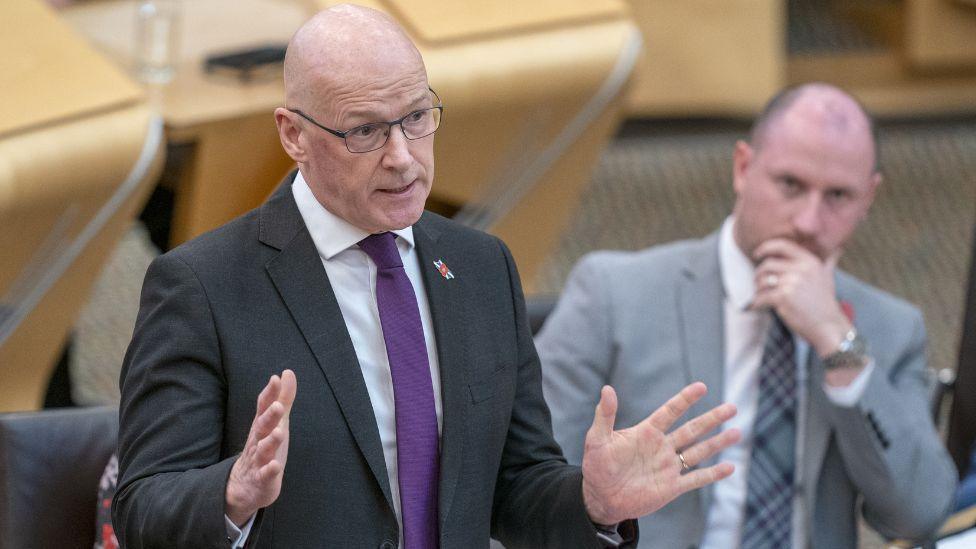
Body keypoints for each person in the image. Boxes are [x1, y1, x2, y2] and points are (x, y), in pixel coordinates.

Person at [112, 5, 741, 548]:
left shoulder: (480, 267)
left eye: (416, 117)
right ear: (294, 135)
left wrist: (593, 503)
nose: (403, 157)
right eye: (365, 131)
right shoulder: (201, 286)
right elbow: (142, 511)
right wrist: (232, 494)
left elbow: (514, 489)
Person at [537, 83, 958, 548]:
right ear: (743, 167)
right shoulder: (613, 294)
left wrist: (839, 346)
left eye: (838, 196)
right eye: (790, 185)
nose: (808, 222)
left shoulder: (888, 329)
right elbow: (523, 490)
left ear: (869, 199)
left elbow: (921, 516)